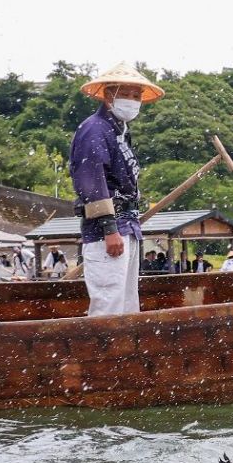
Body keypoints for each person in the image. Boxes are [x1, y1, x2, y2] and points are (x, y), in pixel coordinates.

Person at [69, 62, 164, 316]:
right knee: (108, 304)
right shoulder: (95, 129)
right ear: (109, 94)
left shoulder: (120, 130)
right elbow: (92, 183)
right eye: (126, 94)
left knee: (127, 304)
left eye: (137, 96)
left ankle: (125, 354)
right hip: (107, 230)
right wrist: (109, 228)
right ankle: (100, 354)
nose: (132, 101)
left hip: (129, 225)